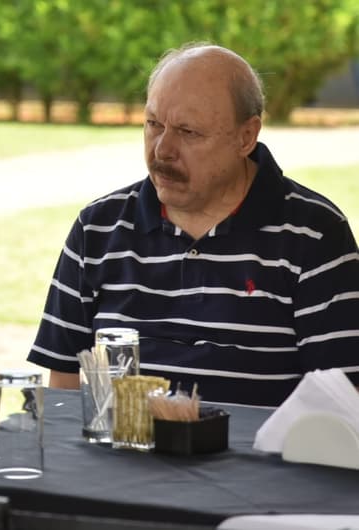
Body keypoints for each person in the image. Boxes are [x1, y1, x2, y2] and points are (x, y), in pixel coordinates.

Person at [28, 43, 359, 407]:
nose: (162, 150)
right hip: (118, 459)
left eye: (188, 132)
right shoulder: (98, 229)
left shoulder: (313, 235)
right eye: (153, 124)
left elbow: (341, 406)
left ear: (246, 137)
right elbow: (63, 385)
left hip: (255, 463)